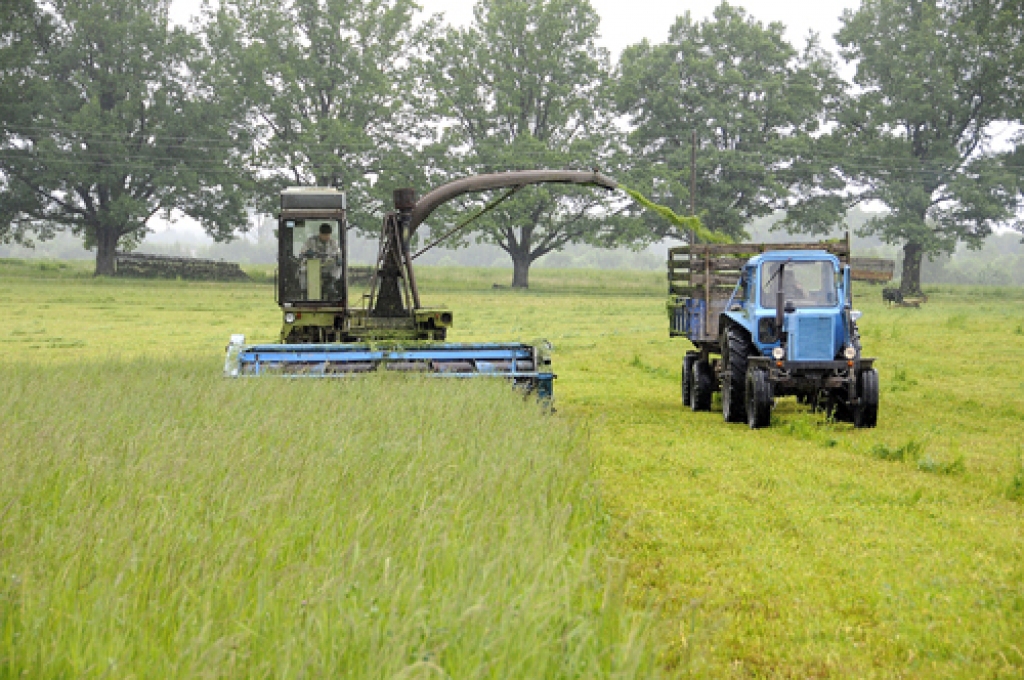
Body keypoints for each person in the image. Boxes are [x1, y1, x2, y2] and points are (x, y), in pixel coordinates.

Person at [298, 222, 342, 297]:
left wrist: (338, 258)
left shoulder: (333, 243)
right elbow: (302, 252)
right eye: (325, 235)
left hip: (326, 267)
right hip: (312, 267)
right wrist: (307, 253)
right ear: (320, 234)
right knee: (302, 270)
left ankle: (330, 284)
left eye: (328, 235)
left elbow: (338, 253)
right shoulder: (311, 241)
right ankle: (304, 290)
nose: (327, 237)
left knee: (338, 266)